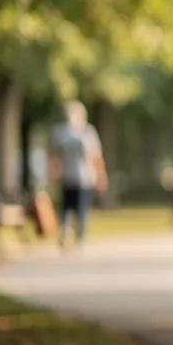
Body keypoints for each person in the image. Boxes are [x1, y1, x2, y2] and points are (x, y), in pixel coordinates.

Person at [48, 100, 107, 249]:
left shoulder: (62, 133)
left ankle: (70, 230)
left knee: (68, 207)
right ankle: (76, 234)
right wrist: (101, 175)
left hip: (71, 176)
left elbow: (54, 157)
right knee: (77, 207)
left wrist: (53, 174)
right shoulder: (84, 132)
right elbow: (95, 156)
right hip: (79, 176)